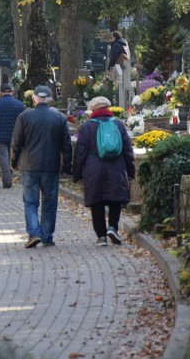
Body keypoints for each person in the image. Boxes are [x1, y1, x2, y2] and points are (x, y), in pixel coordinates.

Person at [11, 85, 72, 248]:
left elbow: (16, 143)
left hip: (29, 165)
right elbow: (66, 145)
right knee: (50, 202)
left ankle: (34, 233)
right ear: (50, 99)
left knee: (30, 202)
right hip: (51, 165)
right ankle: (47, 236)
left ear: (34, 98)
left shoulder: (24, 117)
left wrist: (14, 162)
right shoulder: (59, 117)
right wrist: (67, 166)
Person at [72, 96, 135, 247]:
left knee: (97, 202)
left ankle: (101, 236)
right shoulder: (118, 124)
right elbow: (128, 150)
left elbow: (80, 153)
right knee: (115, 199)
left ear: (93, 110)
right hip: (116, 166)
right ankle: (113, 227)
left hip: (94, 168)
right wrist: (131, 171)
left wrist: (76, 173)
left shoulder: (87, 127)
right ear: (108, 109)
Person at [0, 83, 24, 188]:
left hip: (0, 135)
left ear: (1, 93)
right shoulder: (20, 104)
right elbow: (24, 121)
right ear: (11, 92)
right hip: (15, 136)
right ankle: (10, 177)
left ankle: (7, 180)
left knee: (3, 158)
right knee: (13, 157)